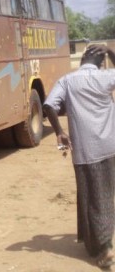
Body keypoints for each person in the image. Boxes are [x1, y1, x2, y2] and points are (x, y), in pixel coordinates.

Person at [43, 44, 115, 269]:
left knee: (94, 197)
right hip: (110, 147)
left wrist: (60, 132)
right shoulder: (106, 77)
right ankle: (94, 243)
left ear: (82, 58)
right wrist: (109, 50)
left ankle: (105, 248)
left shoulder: (67, 80)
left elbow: (48, 105)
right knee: (103, 194)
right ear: (101, 62)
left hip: (85, 151)